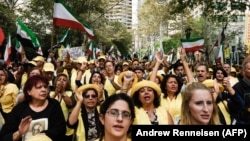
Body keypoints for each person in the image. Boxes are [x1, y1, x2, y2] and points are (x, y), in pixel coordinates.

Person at [0, 75, 66, 141]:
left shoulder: (54, 105)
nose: (43, 90)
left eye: (45, 87)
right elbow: (4, 137)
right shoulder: (19, 109)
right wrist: (19, 133)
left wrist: (43, 136)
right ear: (29, 91)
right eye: (39, 87)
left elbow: (61, 130)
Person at [50, 72, 76, 140]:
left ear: (67, 83)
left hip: (67, 129)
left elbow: (70, 104)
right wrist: (55, 93)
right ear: (55, 82)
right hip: (52, 127)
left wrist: (62, 92)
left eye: (64, 80)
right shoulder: (50, 93)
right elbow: (48, 105)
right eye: (59, 79)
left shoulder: (71, 93)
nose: (61, 81)